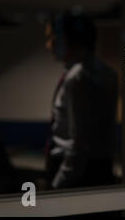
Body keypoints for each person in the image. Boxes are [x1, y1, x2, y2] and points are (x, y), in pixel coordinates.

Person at [44, 10, 118, 189]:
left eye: (52, 37)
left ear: (67, 39)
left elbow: (80, 144)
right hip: (94, 170)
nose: (48, 45)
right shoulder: (104, 72)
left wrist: (58, 185)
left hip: (77, 174)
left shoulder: (78, 77)